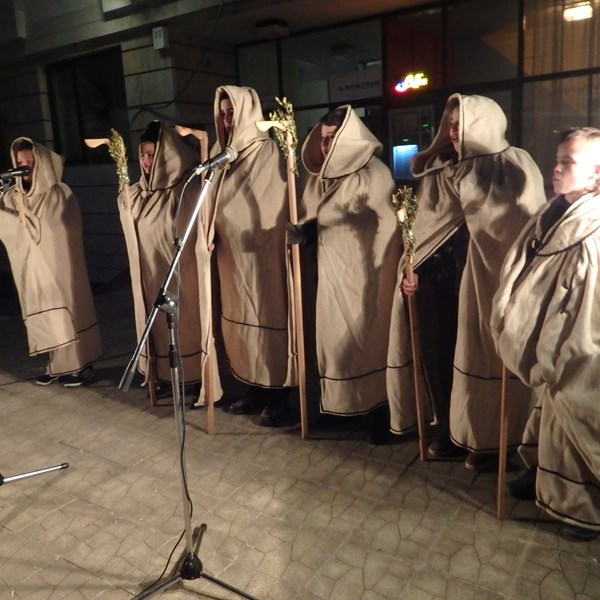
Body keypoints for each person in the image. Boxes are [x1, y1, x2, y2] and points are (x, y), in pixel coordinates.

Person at [386, 94, 546, 467]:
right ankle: (450, 429)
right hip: (440, 280)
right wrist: (412, 269)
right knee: (438, 355)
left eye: (462, 123)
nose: (454, 131)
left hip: (486, 281)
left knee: (486, 356)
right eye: (451, 124)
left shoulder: (512, 164)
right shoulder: (440, 170)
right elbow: (423, 231)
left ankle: (494, 439)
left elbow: (520, 228)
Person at [492, 127, 600, 541]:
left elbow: (585, 300)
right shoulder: (558, 209)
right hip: (549, 333)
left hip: (579, 341)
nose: (555, 168)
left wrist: (558, 346)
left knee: (574, 408)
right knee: (548, 409)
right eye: (556, 160)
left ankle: (582, 506)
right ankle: (542, 472)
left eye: (567, 162)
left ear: (595, 173)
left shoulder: (592, 227)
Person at [291, 106, 401, 423]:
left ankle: (378, 410)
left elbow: (383, 226)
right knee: (332, 340)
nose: (326, 146)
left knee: (368, 340)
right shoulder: (319, 178)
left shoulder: (374, 173)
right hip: (330, 277)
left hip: (363, 278)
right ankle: (339, 406)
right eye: (324, 139)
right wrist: (306, 232)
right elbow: (314, 216)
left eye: (333, 138)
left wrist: (325, 226)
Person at [195, 85, 296, 425]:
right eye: (222, 115)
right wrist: (209, 232)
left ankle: (280, 396)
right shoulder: (222, 157)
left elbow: (275, 203)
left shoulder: (269, 153)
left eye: (232, 113)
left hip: (264, 261)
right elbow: (214, 205)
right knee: (241, 327)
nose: (226, 121)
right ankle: (254, 389)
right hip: (232, 263)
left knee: (269, 325)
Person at [0, 137, 102, 385]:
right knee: (45, 312)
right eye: (19, 162)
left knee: (69, 309)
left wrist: (25, 225)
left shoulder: (60, 193)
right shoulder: (13, 196)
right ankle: (55, 365)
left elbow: (54, 229)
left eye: (30, 161)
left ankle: (80, 366)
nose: (24, 166)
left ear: (42, 162)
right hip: (33, 267)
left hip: (60, 265)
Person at [118, 121, 203, 398]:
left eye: (152, 155)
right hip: (151, 274)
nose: (146, 161)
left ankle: (194, 376)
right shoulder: (137, 193)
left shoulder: (184, 189)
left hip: (181, 274)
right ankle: (164, 377)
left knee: (185, 325)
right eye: (142, 155)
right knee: (157, 328)